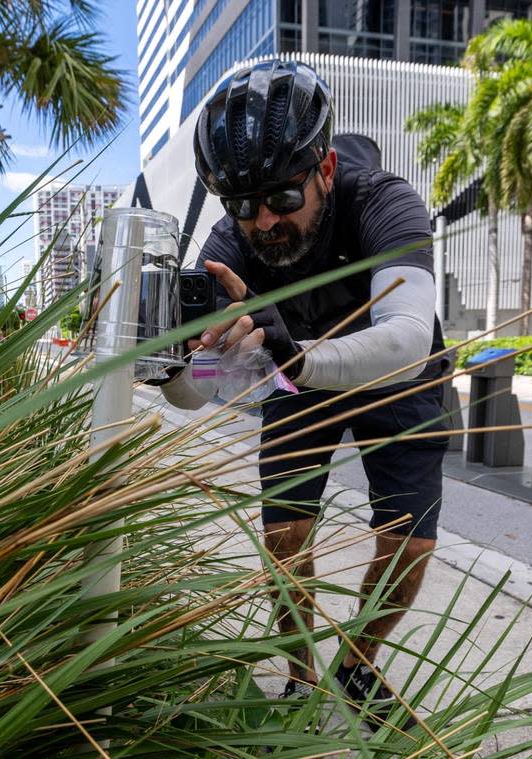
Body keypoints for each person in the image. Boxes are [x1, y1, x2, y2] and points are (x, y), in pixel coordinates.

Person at [157, 59, 448, 728]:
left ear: (323, 171)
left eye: (282, 199)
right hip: (296, 372)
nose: (262, 222)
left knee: (410, 541)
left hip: (389, 372)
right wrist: (176, 363)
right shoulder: (231, 241)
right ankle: (301, 677)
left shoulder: (383, 199)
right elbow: (197, 395)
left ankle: (359, 663)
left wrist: (294, 353)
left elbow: (405, 341)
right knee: (285, 536)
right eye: (241, 204)